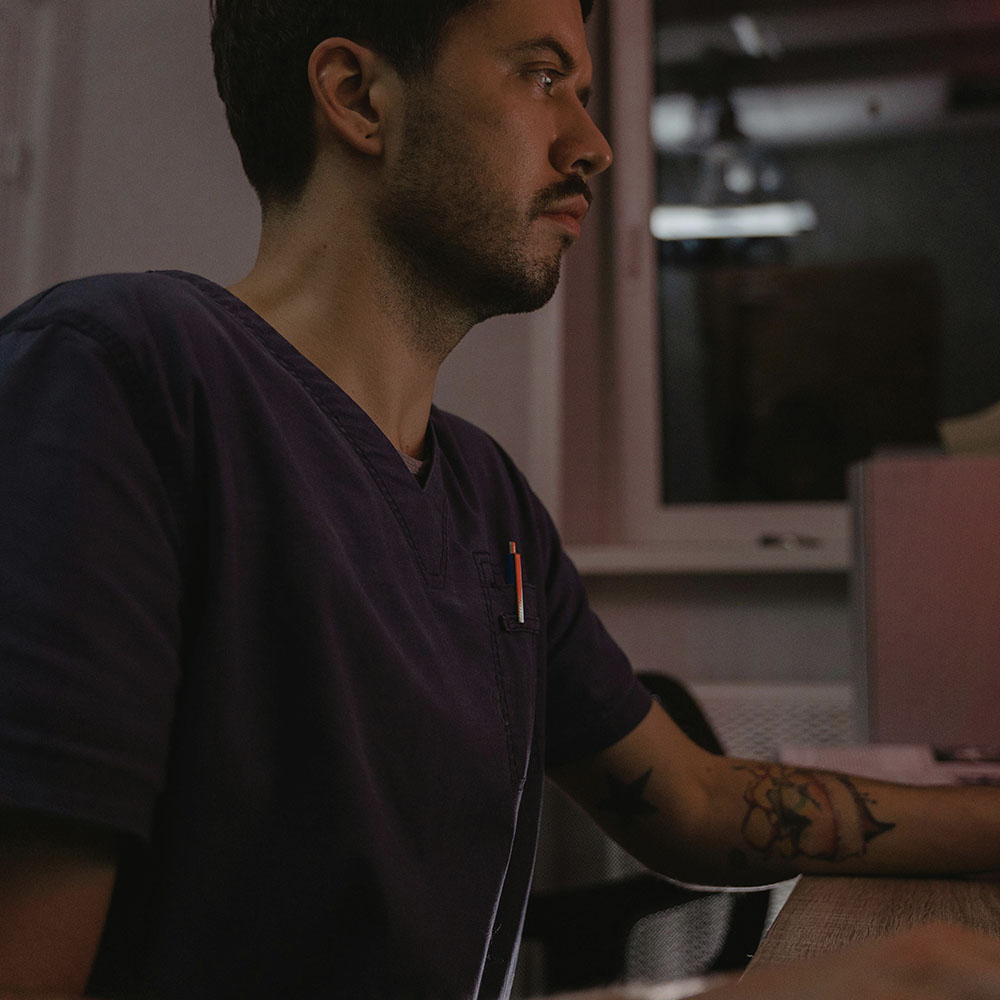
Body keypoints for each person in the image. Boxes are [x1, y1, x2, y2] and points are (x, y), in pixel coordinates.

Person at [1, 1, 999, 998]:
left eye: (588, 94)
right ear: (357, 98)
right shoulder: (118, 378)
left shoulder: (488, 501)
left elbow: (691, 801)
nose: (595, 145)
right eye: (539, 75)